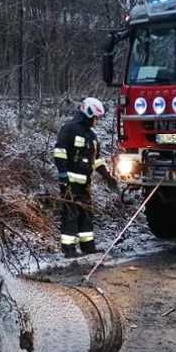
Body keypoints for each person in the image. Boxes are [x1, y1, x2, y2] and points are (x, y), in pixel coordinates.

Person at [52, 97, 119, 257]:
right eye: (96, 117)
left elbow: (96, 160)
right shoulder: (69, 129)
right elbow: (59, 152)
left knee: (86, 214)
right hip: (69, 182)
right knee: (70, 214)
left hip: (85, 184)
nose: (97, 121)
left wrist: (107, 176)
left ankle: (88, 246)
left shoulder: (92, 137)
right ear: (88, 114)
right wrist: (63, 174)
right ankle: (68, 249)